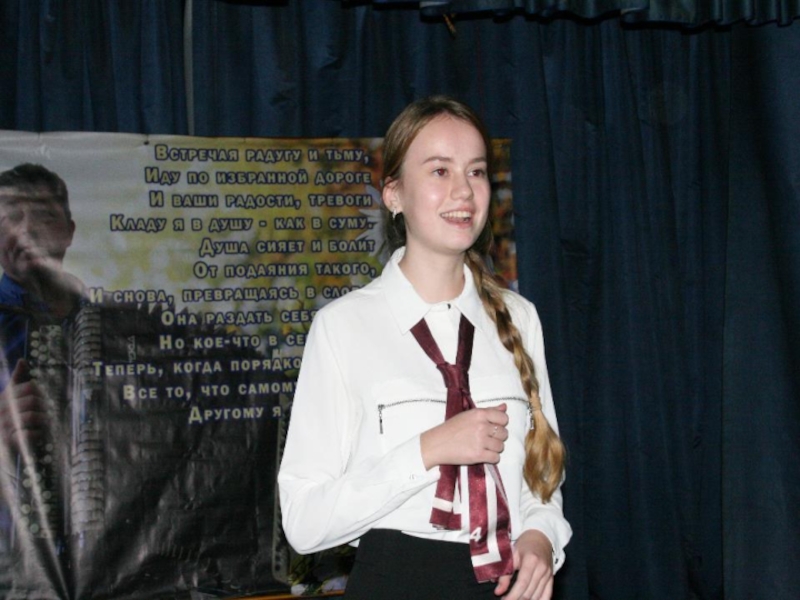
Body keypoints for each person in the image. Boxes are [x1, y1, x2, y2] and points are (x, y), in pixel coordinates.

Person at [278, 96, 571, 599]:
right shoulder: (343, 327)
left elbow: (541, 484)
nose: (464, 190)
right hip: (396, 580)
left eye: (476, 171)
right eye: (440, 171)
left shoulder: (520, 318)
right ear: (393, 194)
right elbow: (304, 523)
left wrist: (541, 539)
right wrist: (428, 450)